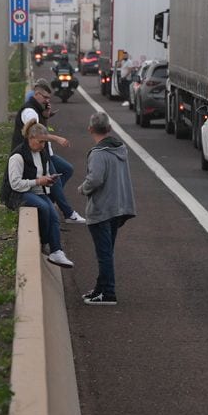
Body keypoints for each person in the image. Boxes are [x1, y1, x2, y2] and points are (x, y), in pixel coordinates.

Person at [77, 111, 136, 305]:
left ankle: (108, 292)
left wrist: (83, 189)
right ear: (109, 129)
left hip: (102, 209)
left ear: (90, 129)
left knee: (103, 254)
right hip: (118, 207)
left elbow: (95, 179)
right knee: (107, 251)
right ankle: (100, 288)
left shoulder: (98, 154)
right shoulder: (120, 149)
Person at [13, 82, 86, 225]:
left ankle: (51, 198)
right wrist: (56, 138)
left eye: (49, 98)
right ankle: (68, 213)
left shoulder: (38, 110)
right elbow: (34, 134)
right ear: (37, 94)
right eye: (45, 97)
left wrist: (46, 116)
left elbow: (40, 127)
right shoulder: (30, 112)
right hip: (33, 154)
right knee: (55, 181)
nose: (47, 101)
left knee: (66, 169)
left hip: (44, 152)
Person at [7, 122, 74, 269]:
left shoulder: (41, 153)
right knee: (44, 207)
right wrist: (38, 181)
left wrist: (48, 180)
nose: (43, 145)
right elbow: (15, 184)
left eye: (45, 142)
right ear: (30, 138)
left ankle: (57, 251)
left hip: (37, 191)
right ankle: (44, 241)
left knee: (54, 216)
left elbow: (43, 174)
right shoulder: (18, 156)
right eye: (40, 141)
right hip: (19, 194)